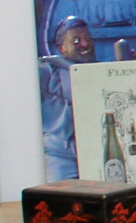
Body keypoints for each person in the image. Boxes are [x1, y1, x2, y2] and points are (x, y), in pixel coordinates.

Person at [37, 16, 95, 181]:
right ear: (61, 48)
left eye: (87, 39)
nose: (85, 44)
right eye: (76, 41)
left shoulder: (100, 71)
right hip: (61, 155)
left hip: (96, 151)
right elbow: (38, 102)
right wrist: (78, 115)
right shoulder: (47, 69)